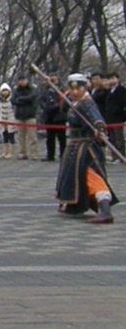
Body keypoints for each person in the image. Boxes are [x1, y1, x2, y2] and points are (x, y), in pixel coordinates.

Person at [56, 73, 117, 223]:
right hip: (76, 146)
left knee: (92, 176)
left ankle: (105, 210)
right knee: (75, 177)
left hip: (87, 148)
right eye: (72, 89)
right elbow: (63, 109)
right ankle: (74, 205)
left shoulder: (87, 102)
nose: (75, 92)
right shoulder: (75, 103)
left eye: (78, 89)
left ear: (85, 88)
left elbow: (97, 118)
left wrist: (99, 129)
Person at [40, 75, 68, 161]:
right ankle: (50, 155)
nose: (52, 82)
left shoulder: (62, 92)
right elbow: (43, 104)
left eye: (54, 80)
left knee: (62, 138)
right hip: (49, 117)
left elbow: (65, 105)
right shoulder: (45, 92)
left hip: (60, 118)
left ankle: (63, 155)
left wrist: (57, 107)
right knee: (50, 138)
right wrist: (53, 107)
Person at [11, 76, 39, 160]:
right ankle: (22, 153)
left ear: (27, 80)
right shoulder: (16, 90)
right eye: (20, 80)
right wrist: (22, 100)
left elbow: (32, 98)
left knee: (32, 136)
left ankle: (33, 154)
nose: (22, 82)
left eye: (23, 80)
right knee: (20, 136)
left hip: (30, 115)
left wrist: (21, 99)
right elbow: (13, 100)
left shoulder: (32, 89)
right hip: (19, 116)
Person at [103, 72, 125, 160]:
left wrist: (116, 110)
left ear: (117, 79)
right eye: (110, 79)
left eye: (113, 78)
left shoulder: (121, 89)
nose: (112, 80)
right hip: (109, 118)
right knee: (112, 138)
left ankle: (121, 156)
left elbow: (123, 102)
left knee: (118, 138)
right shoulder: (109, 90)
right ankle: (114, 156)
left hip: (117, 117)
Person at [0, 83, 16, 159]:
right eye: (3, 91)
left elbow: (14, 111)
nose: (4, 92)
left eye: (6, 90)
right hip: (2, 120)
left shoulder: (12, 100)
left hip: (11, 120)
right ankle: (5, 151)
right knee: (5, 136)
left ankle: (11, 152)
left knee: (11, 137)